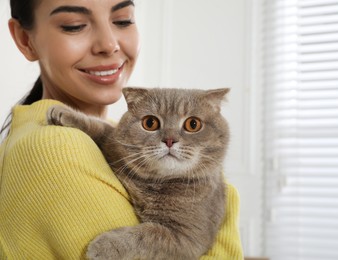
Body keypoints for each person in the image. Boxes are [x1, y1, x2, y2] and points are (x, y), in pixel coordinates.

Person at [0, 0, 243, 259]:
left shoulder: (118, 140)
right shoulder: (54, 150)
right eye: (75, 26)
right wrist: (229, 207)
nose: (108, 45)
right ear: (25, 39)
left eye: (123, 20)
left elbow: (111, 143)